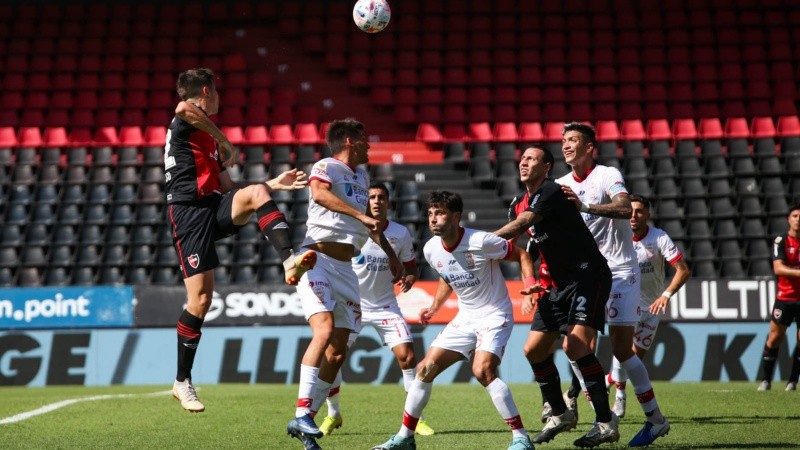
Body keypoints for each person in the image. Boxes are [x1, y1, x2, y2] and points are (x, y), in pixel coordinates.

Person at [165, 68, 316, 413]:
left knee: (257, 191)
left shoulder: (206, 136)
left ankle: (288, 259)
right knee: (201, 301)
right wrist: (224, 139)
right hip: (188, 212)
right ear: (206, 90)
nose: (219, 97)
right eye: (215, 91)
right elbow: (181, 108)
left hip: (214, 205)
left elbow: (232, 190)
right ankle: (181, 382)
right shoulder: (190, 119)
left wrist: (272, 185)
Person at [372, 191, 536, 450]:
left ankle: (521, 438)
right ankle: (405, 437)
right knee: (424, 370)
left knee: (482, 370)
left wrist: (528, 287)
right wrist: (435, 307)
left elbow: (523, 256)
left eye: (440, 213)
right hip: (466, 316)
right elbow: (447, 276)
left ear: (456, 216)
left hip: (494, 314)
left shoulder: (481, 241)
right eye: (430, 213)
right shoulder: (430, 248)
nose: (433, 219)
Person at [286, 118, 404, 450]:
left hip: (346, 267)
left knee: (338, 352)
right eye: (364, 138)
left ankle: (305, 420)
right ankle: (302, 412)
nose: (369, 144)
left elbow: (369, 224)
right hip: (316, 259)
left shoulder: (362, 177)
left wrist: (392, 256)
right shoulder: (326, 167)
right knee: (322, 332)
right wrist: (362, 217)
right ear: (350, 141)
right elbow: (320, 195)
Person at [495, 145, 618, 448]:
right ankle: (561, 413)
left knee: (575, 346)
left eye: (531, 159)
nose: (524, 162)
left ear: (547, 166)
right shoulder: (516, 202)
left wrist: (477, 243)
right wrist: (533, 279)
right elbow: (530, 247)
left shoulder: (552, 190)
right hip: (557, 285)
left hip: (588, 276)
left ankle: (606, 422)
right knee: (534, 351)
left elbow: (522, 226)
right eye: (522, 158)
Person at [556, 122, 670, 447]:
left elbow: (624, 207)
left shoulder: (607, 174)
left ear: (590, 147)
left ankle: (655, 420)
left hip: (620, 270)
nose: (566, 145)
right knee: (574, 346)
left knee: (622, 350)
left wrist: (585, 207)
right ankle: (605, 419)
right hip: (588, 274)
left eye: (573, 140)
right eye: (563, 141)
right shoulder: (561, 184)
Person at [318, 182, 435, 437]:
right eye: (372, 197)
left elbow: (412, 268)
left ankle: (417, 420)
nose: (377, 201)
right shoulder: (352, 228)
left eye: (382, 197)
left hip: (385, 306)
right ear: (366, 202)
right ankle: (333, 414)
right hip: (351, 305)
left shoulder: (400, 233)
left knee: (408, 357)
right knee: (332, 359)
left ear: (388, 203)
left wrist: (410, 279)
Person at [607, 195, 691, 417]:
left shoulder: (659, 237)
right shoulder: (617, 237)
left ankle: (607, 380)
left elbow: (683, 270)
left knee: (635, 358)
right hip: (625, 301)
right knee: (623, 351)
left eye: (640, 211)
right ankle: (620, 399)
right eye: (631, 211)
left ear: (648, 215)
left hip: (652, 308)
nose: (634, 215)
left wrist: (665, 295)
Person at [757, 203, 800, 391]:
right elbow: (778, 268)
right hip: (785, 298)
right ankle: (766, 380)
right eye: (795, 216)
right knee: (775, 337)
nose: (798, 219)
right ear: (789, 219)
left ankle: (792, 382)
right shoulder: (781, 241)